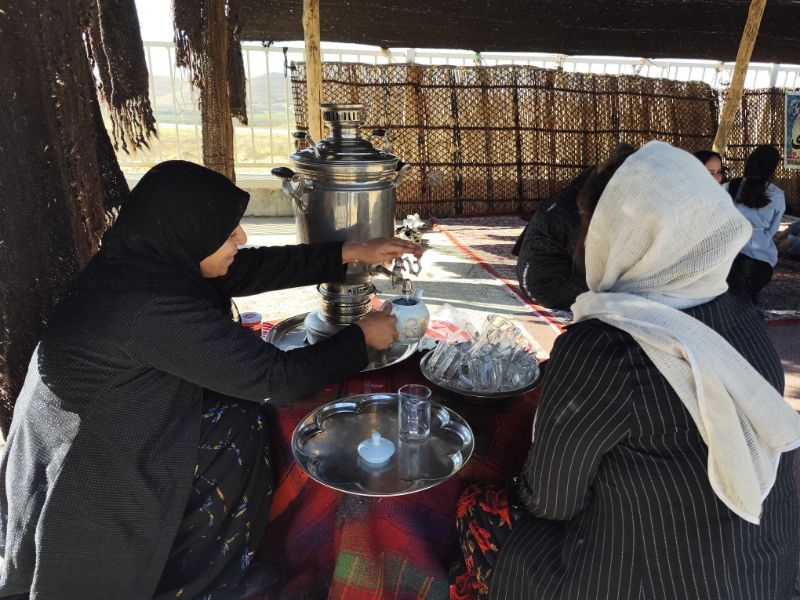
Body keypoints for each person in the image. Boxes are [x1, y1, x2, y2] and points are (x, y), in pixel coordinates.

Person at [0, 160, 425, 599]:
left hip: (110, 425)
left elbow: (248, 268)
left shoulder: (150, 262)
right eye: (227, 232)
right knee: (240, 420)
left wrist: (352, 251)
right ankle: (195, 583)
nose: (241, 238)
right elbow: (276, 378)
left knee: (237, 414)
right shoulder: (147, 307)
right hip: (92, 471)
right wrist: (361, 338)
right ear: (188, 233)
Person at [452, 141, 800, 599]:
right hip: (765, 571)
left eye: (589, 226)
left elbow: (550, 501)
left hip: (646, 584)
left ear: (614, 233)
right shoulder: (741, 314)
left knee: (476, 510)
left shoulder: (604, 347)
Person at [513, 142, 636, 311]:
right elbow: (590, 269)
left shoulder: (566, 198)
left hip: (532, 278)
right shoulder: (575, 213)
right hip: (548, 289)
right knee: (634, 292)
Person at [725, 144, 786, 303]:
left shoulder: (730, 187)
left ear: (749, 162)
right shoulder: (777, 195)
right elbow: (772, 230)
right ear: (772, 168)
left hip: (729, 254)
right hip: (761, 260)